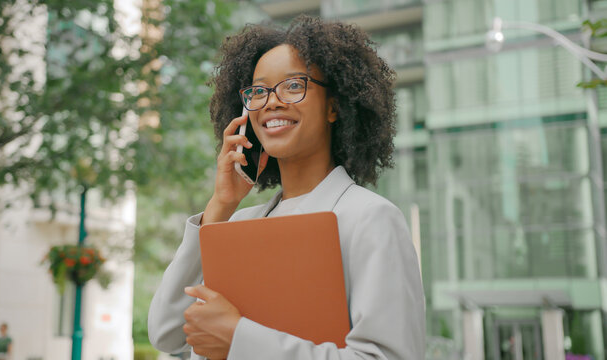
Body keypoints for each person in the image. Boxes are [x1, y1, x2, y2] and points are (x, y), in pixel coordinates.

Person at [148, 15, 425, 359]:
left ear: (334, 107)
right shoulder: (237, 225)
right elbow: (168, 335)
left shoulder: (371, 219)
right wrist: (220, 206)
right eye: (258, 90)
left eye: (294, 85)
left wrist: (239, 340)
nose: (271, 102)